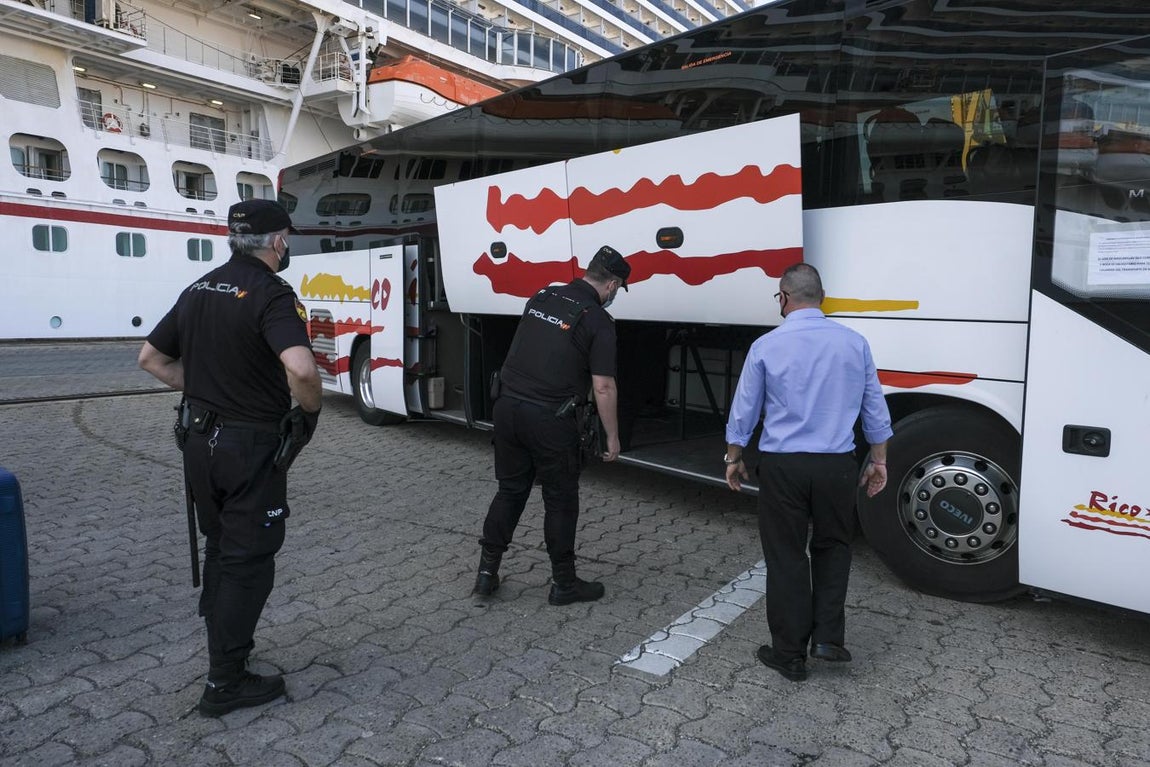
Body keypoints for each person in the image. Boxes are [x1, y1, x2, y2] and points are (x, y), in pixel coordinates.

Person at [138, 199, 321, 715]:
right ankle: (225, 682)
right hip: (248, 449)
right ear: (277, 241)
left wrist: (208, 395)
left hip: (197, 442)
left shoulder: (198, 287)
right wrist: (308, 416)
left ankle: (223, 639)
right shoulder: (272, 293)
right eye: (286, 237)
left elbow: (150, 358)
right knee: (251, 559)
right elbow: (302, 371)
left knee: (221, 544)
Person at [724, 263, 892, 682]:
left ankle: (789, 653)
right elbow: (874, 407)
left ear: (784, 297)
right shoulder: (855, 343)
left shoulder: (767, 345)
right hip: (837, 464)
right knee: (834, 546)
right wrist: (879, 460)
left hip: (784, 466)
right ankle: (828, 639)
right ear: (822, 296)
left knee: (786, 555)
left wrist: (734, 456)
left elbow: (745, 409)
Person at [473, 245, 630, 605]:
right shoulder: (597, 320)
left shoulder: (543, 295)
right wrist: (613, 437)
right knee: (560, 501)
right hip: (550, 418)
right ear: (612, 285)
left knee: (510, 491)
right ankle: (564, 584)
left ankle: (486, 573)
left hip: (508, 408)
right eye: (618, 290)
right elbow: (603, 385)